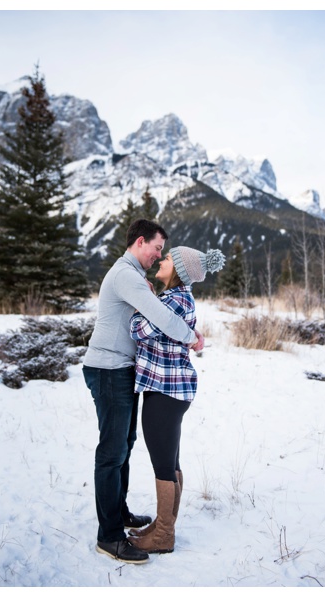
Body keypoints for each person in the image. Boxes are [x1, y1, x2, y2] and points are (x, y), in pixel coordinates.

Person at [83, 220, 205, 565]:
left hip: (123, 370)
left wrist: (189, 330)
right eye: (157, 248)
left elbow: (164, 314)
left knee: (124, 445)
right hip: (108, 369)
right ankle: (109, 536)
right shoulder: (127, 275)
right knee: (111, 451)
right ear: (141, 242)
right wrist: (193, 337)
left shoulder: (137, 277)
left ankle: (118, 513)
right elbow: (159, 318)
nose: (158, 255)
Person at [126, 245, 225, 554]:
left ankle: (164, 535)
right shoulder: (177, 299)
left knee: (163, 465)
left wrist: (142, 301)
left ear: (179, 271)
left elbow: (137, 330)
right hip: (172, 390)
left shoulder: (172, 301)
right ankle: (163, 524)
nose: (161, 260)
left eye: (167, 259)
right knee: (170, 460)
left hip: (165, 391)